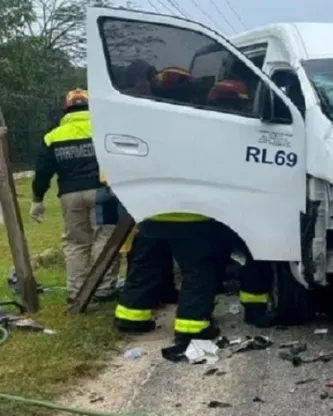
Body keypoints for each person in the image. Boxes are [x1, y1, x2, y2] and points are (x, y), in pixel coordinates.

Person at [113, 68, 228, 347]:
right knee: (198, 273)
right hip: (193, 215)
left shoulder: (141, 120)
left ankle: (131, 318)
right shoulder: (204, 120)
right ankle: (192, 327)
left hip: (152, 210)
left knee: (145, 268)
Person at [31, 88, 119, 304]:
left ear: (66, 109)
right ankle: (103, 288)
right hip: (101, 193)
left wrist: (37, 199)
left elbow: (43, 171)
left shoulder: (53, 136)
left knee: (76, 242)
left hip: (69, 195)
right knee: (104, 238)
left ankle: (76, 291)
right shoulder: (102, 129)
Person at [205, 79, 273, 328]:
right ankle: (255, 311)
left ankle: (203, 312)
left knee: (210, 263)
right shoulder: (250, 126)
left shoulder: (198, 125)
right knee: (255, 257)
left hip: (212, 208)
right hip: (246, 205)